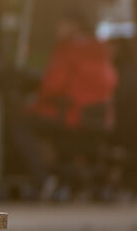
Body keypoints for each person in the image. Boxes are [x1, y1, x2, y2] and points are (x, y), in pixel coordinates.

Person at [27, 13, 118, 200]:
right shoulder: (100, 51)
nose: (57, 30)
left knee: (22, 124)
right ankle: (65, 174)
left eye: (61, 25)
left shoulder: (67, 51)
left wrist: (35, 101)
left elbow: (52, 86)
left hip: (70, 115)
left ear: (72, 26)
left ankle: (43, 176)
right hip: (101, 118)